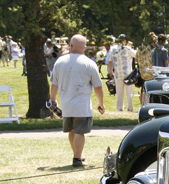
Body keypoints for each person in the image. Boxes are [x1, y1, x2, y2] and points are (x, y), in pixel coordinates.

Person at [49, 34, 105, 168]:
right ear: (84, 47)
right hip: (81, 104)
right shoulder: (89, 63)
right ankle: (77, 158)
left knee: (71, 130)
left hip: (66, 102)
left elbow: (54, 84)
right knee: (80, 131)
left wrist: (52, 99)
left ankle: (76, 154)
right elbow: (98, 86)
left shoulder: (60, 62)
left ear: (71, 45)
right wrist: (101, 103)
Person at [108, 34, 136, 112]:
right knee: (129, 92)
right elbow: (136, 55)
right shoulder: (127, 48)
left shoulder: (113, 49)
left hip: (118, 72)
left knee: (119, 92)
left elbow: (110, 61)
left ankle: (119, 108)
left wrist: (111, 71)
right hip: (127, 73)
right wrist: (131, 46)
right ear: (124, 40)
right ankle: (129, 108)